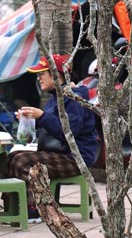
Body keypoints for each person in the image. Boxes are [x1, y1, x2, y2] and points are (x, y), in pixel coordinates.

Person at [5, 54, 98, 222]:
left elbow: (70, 132)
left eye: (42, 73)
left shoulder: (74, 97)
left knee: (22, 161)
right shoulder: (54, 98)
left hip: (76, 157)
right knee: (11, 158)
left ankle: (34, 209)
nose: (38, 78)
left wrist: (41, 117)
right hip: (58, 153)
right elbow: (51, 126)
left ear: (57, 75)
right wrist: (29, 119)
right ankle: (14, 207)